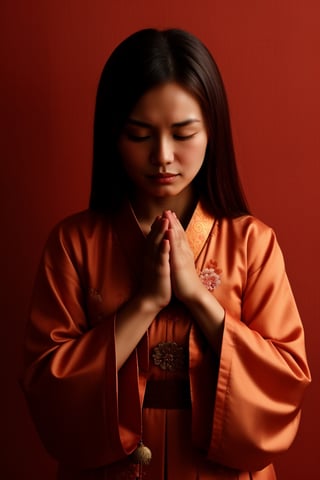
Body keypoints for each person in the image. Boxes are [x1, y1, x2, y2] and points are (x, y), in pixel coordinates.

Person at [21, 28, 311, 480]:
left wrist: (198, 297)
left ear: (211, 130)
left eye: (183, 133)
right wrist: (145, 303)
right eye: (139, 134)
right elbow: (47, 388)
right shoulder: (73, 244)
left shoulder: (254, 243)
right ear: (113, 136)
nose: (162, 156)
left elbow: (286, 382)